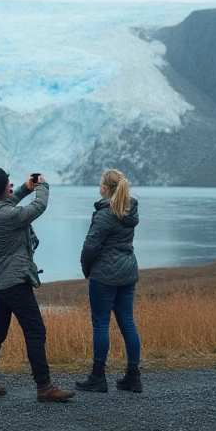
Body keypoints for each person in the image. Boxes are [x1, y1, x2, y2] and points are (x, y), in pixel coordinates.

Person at [0, 167, 75, 403]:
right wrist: (42, 187)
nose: (11, 185)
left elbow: (6, 201)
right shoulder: (9, 216)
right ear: (1, 189)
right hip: (14, 281)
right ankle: (44, 387)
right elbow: (37, 208)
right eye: (8, 184)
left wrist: (24, 188)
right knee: (35, 330)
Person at [77, 168, 143, 393]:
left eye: (100, 184)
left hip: (104, 275)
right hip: (127, 271)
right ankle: (133, 377)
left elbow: (90, 247)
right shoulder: (130, 210)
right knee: (127, 322)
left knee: (101, 324)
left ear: (105, 188)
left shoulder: (106, 214)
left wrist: (87, 269)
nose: (99, 187)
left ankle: (98, 377)